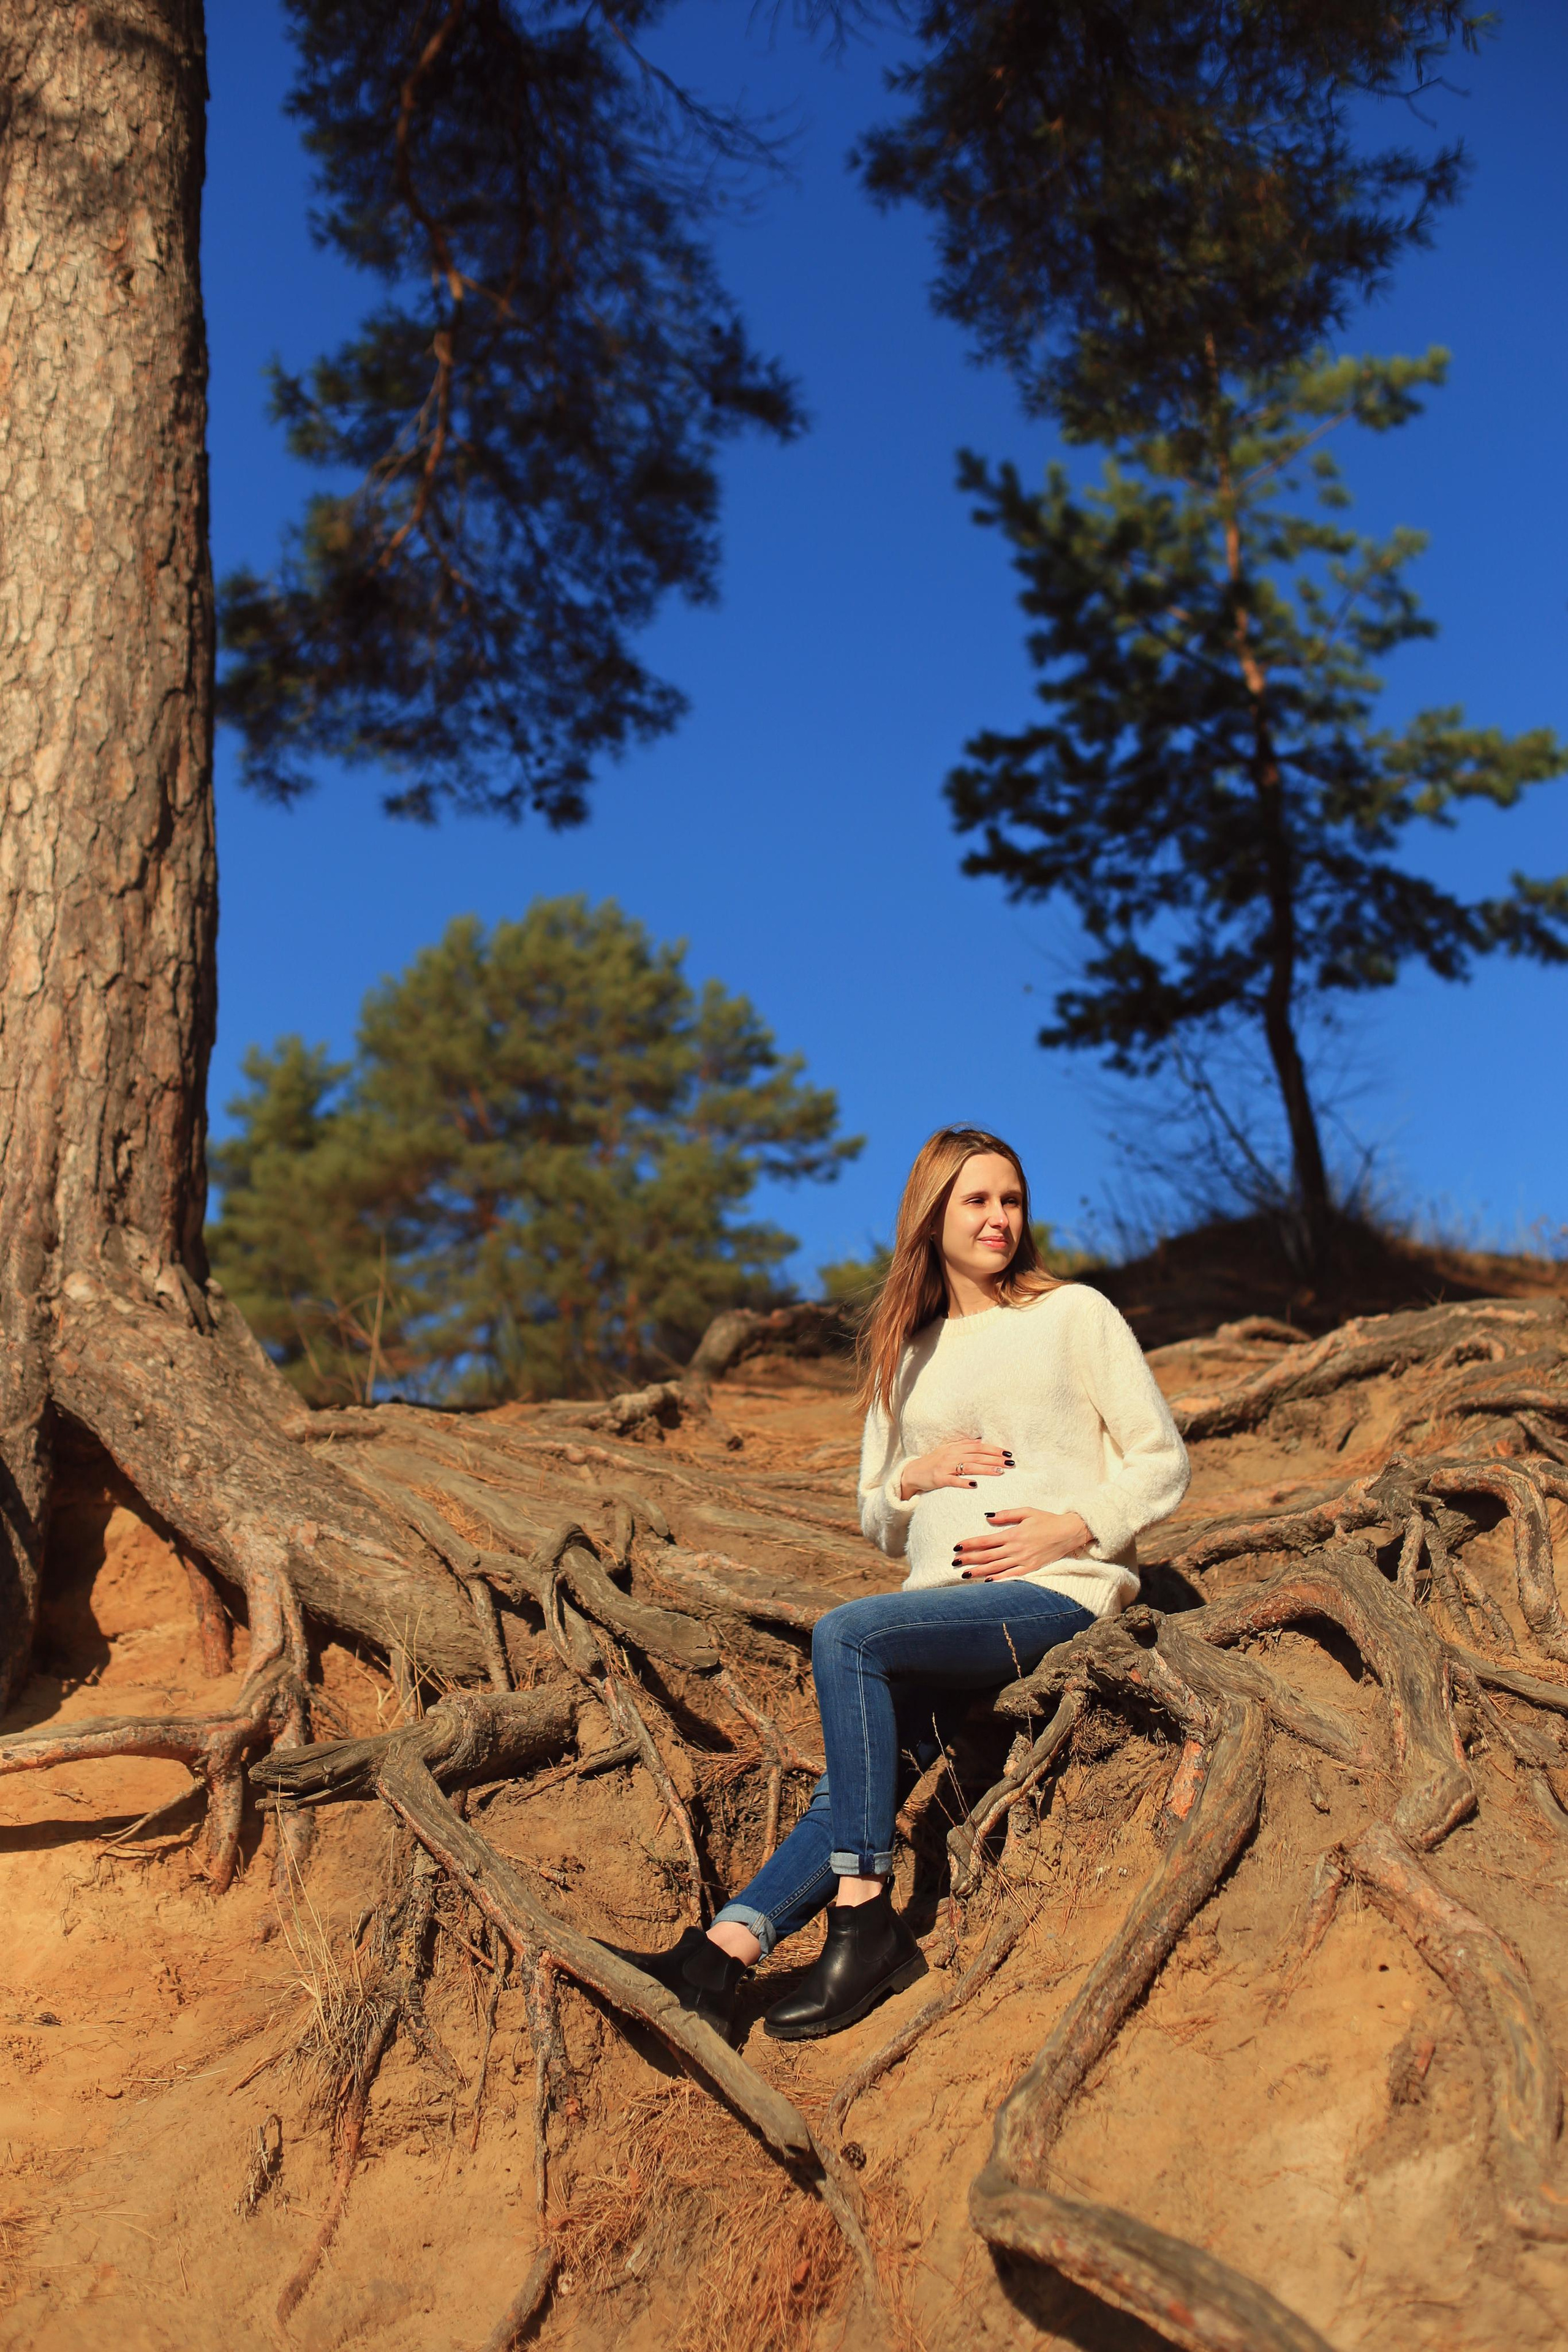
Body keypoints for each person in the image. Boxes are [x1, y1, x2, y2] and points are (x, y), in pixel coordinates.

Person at [616, 1125, 1189, 2045]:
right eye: (977, 1200)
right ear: (932, 1214)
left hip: (1057, 1593)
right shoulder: (905, 1351)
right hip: (940, 1608)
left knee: (848, 1634)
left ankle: (865, 1920)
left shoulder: (1073, 1315)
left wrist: (1073, 1527)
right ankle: (715, 1961)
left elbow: (1162, 1462)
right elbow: (876, 1517)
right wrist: (911, 1480)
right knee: (852, 1791)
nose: (1000, 1217)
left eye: (1011, 1200)